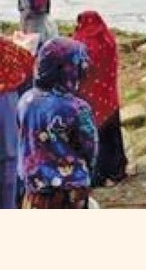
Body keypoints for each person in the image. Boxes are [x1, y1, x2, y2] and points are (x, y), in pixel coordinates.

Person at [17, 38, 98, 209]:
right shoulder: (77, 108)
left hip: (34, 187)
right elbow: (90, 149)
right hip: (67, 191)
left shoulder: (26, 99)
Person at [72, 11, 126, 187]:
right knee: (113, 135)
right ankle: (117, 170)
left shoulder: (82, 43)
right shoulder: (108, 39)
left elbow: (77, 68)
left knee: (96, 137)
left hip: (91, 97)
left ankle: (98, 175)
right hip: (108, 95)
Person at [1, 36, 33, 209]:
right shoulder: (9, 50)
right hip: (7, 103)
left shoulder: (8, 49)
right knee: (10, 158)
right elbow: (29, 63)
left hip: (7, 101)